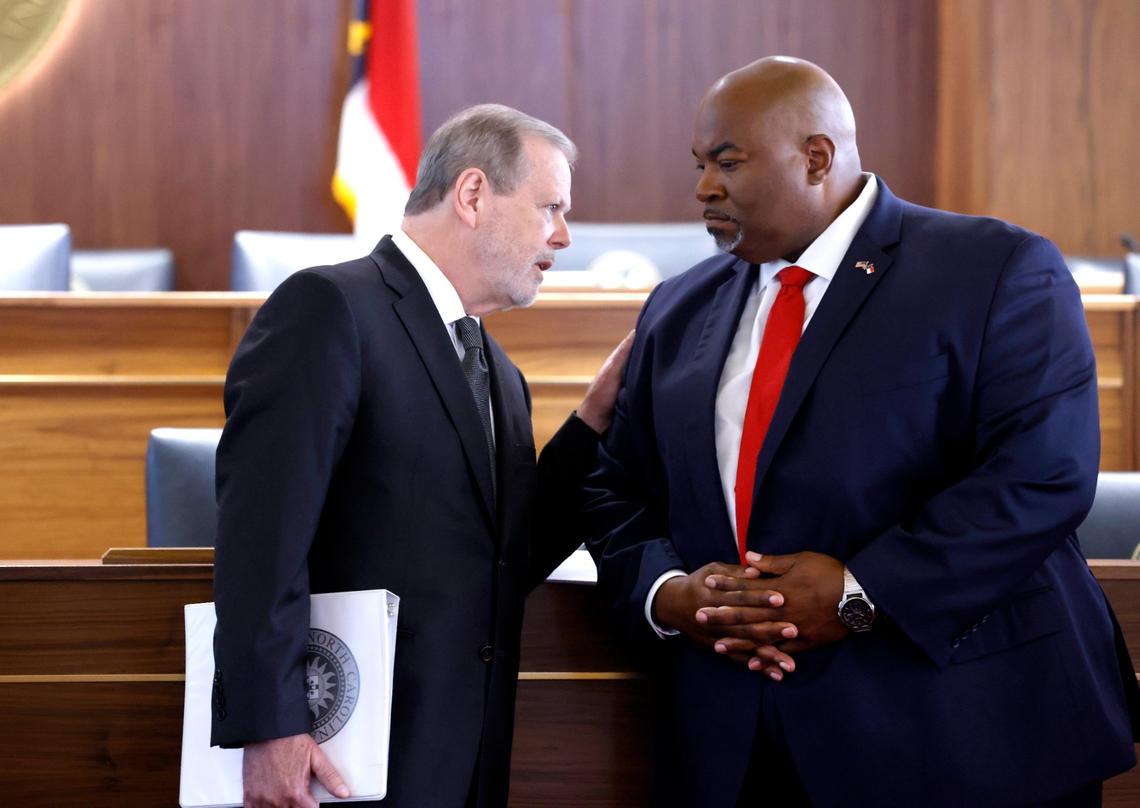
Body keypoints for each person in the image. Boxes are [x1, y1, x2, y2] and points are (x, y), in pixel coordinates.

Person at [585, 56, 1140, 807]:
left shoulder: (995, 268)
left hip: (963, 737)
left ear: (817, 157)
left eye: (727, 162)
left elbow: (1042, 474)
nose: (703, 189)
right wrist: (671, 591)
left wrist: (859, 590)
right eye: (699, 165)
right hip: (736, 749)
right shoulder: (678, 308)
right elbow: (617, 486)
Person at [210, 103, 633, 808]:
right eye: (550, 207)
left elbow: (507, 556)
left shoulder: (500, 372)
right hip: (336, 757)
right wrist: (271, 726)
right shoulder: (328, 308)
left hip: (464, 754)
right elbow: (263, 538)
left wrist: (594, 420)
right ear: (473, 195)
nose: (563, 235)